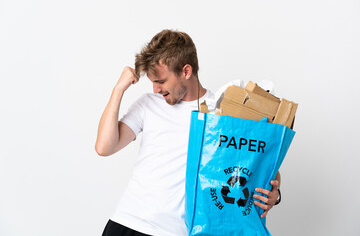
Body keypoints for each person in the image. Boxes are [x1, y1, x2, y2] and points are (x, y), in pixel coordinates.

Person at [95, 29, 281, 236]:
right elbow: (104, 147)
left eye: (161, 81)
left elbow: (252, 161)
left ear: (186, 71)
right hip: (127, 223)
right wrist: (118, 90)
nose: (156, 89)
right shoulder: (148, 105)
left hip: (176, 231)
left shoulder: (219, 113)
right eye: (153, 82)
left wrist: (273, 191)